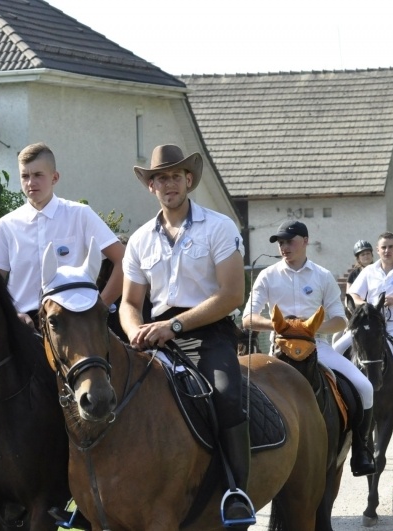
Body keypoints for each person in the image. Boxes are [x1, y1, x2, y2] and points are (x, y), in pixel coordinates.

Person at [120, 144, 254, 527]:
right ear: (151, 187)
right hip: (156, 336)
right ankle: (98, 495)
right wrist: (134, 332)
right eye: (160, 178)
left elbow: (231, 295)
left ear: (188, 180)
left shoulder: (219, 226)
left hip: (209, 333)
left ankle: (236, 491)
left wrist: (174, 326)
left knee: (227, 397)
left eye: (175, 176)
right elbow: (130, 303)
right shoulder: (140, 240)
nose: (168, 184)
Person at [242, 220, 376, 477]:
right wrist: (283, 327)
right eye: (280, 242)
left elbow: (340, 320)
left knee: (364, 387)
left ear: (305, 241)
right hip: (279, 348)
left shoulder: (323, 276)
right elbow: (248, 317)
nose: (284, 247)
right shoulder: (267, 276)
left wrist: (309, 329)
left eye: (289, 241)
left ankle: (361, 449)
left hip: (318, 346)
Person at [0, 142, 125, 327]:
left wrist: (99, 306)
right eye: (25, 176)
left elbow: (124, 260)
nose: (30, 182)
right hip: (23, 328)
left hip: (74, 325)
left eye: (38, 175)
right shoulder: (7, 225)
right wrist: (12, 314)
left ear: (55, 177)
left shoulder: (80, 215)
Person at [333, 232, 393, 423]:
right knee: (337, 349)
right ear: (378, 250)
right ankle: (339, 398)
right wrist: (367, 307)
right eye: (383, 247)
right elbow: (352, 295)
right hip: (370, 327)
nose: (387, 250)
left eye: (391, 247)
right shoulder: (369, 272)